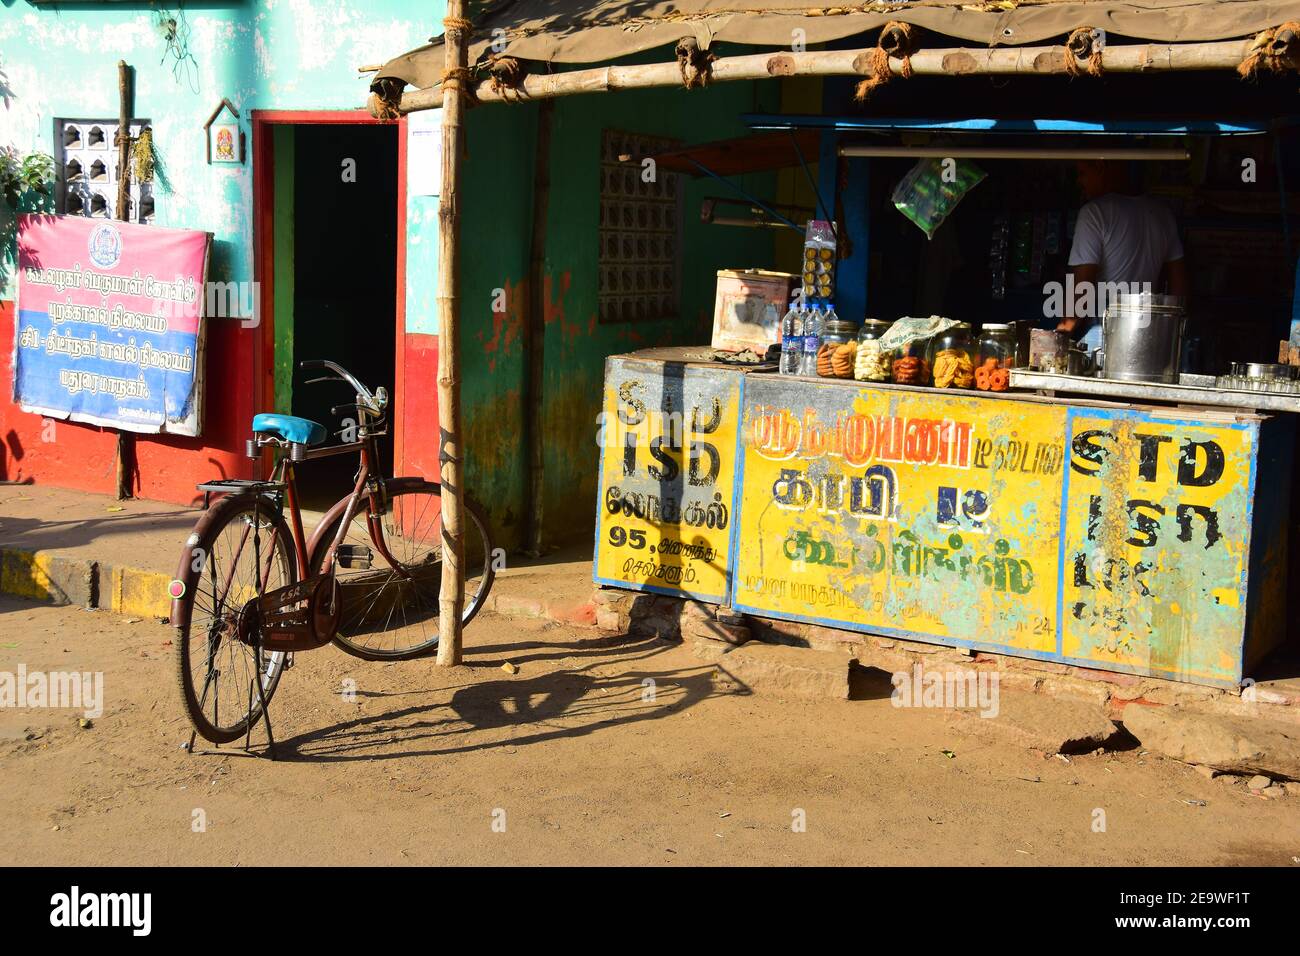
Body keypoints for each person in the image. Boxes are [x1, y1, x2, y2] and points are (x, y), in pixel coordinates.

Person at [1056, 160, 1187, 352]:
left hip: (1105, 338)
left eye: (1082, 173)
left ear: (1100, 168)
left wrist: (1059, 336)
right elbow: (1180, 288)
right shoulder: (1162, 214)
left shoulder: (1094, 213)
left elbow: (1082, 289)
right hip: (1148, 340)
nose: (1079, 182)